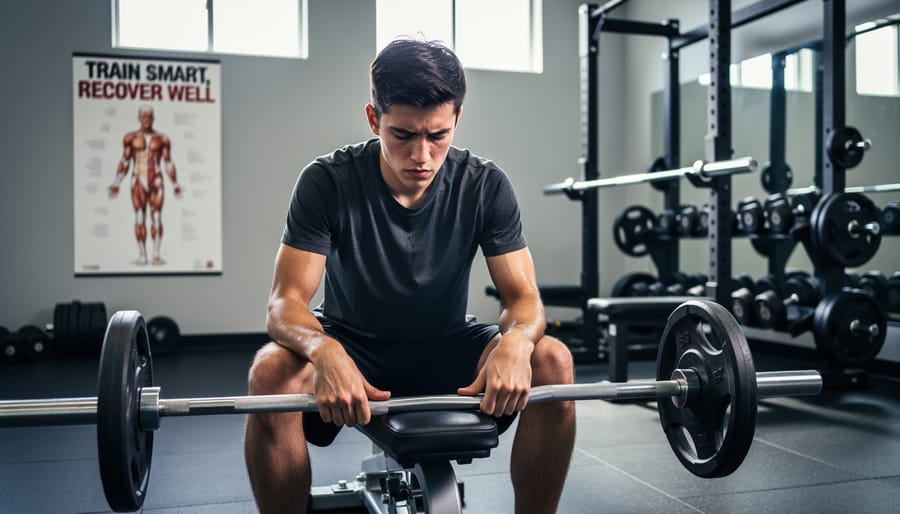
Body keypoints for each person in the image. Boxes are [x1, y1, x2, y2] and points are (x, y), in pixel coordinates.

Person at [244, 38, 576, 514]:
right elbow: (285, 303)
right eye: (403, 134)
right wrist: (324, 348)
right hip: (351, 345)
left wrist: (517, 343)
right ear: (373, 118)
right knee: (270, 371)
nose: (422, 154)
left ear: (457, 119)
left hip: (446, 347)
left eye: (438, 135)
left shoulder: (484, 186)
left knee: (553, 362)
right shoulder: (327, 182)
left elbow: (524, 299)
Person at [109, 105, 182, 265]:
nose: (147, 119)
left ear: (153, 118)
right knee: (140, 218)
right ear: (139, 118)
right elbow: (125, 161)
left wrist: (175, 183)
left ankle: (156, 254)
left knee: (156, 218)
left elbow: (168, 162)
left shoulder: (162, 139)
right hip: (137, 180)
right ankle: (142, 255)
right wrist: (117, 181)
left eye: (150, 116)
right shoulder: (130, 138)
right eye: (144, 116)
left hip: (156, 180)